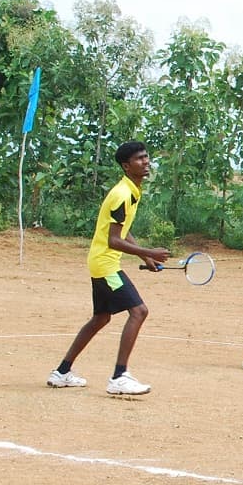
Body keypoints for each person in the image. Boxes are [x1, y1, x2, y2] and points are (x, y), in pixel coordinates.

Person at [46, 141, 171, 395]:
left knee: (101, 318)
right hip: (105, 265)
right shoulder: (122, 194)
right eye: (139, 159)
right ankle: (119, 377)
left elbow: (123, 231)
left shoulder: (132, 190)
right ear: (126, 166)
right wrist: (150, 252)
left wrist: (145, 257)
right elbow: (113, 240)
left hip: (102, 261)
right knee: (139, 311)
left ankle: (61, 372)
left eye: (146, 156)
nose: (146, 161)